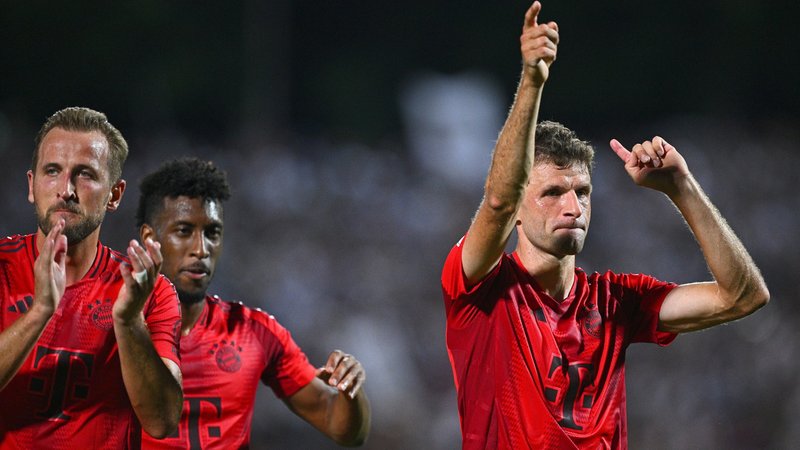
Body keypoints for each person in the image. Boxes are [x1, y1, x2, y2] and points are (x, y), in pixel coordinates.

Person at [440, 2, 769, 449]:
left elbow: (743, 296)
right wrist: (533, 82)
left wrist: (682, 186)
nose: (573, 207)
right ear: (519, 207)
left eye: (582, 192)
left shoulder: (616, 300)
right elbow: (497, 200)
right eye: (553, 193)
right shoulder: (481, 287)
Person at [135, 157, 371, 449]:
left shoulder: (252, 331)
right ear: (150, 238)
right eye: (184, 231)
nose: (201, 249)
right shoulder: (108, 330)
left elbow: (341, 427)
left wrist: (350, 390)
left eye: (212, 233)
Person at [0, 107, 183, 448]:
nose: (65, 189)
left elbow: (162, 422)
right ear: (32, 185)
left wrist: (129, 323)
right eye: (52, 171)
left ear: (114, 194)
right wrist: (40, 310)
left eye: (84, 174)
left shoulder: (149, 291)